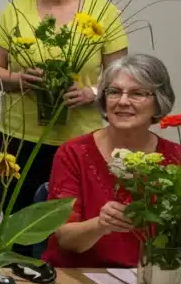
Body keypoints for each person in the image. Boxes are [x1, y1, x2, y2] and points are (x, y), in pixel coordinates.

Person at [0, 0, 128, 255]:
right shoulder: (15, 11)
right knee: (19, 231)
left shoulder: (104, 13)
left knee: (72, 233)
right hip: (19, 143)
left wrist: (92, 94)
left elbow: (121, 77)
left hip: (82, 142)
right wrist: (17, 80)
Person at [44, 54, 180, 268]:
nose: (123, 101)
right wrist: (100, 224)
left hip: (150, 280)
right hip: (78, 279)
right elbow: (65, 238)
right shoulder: (74, 153)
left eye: (137, 93)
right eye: (114, 92)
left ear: (159, 102)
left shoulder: (175, 159)